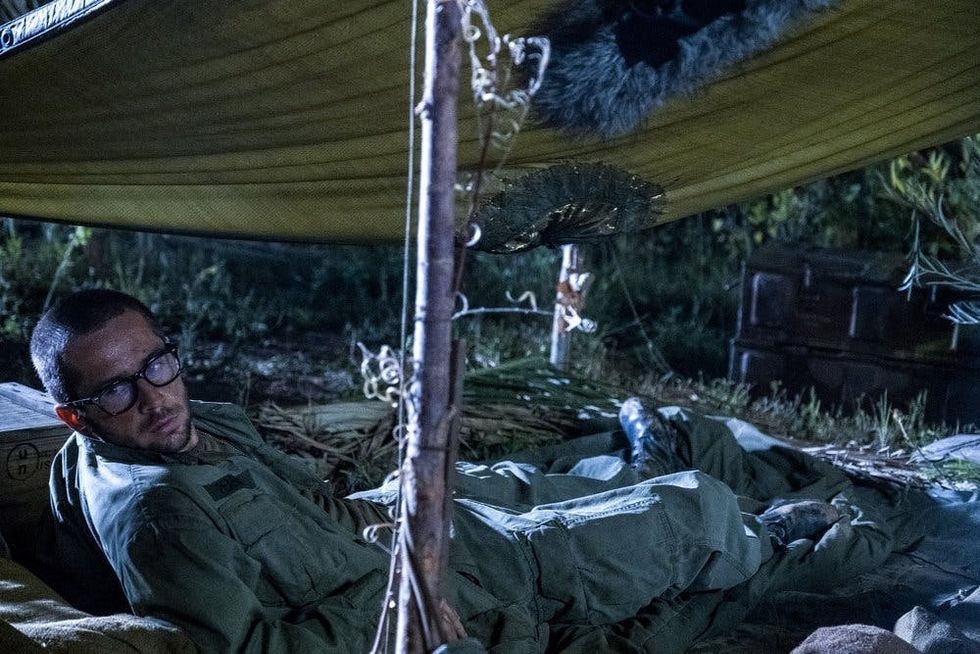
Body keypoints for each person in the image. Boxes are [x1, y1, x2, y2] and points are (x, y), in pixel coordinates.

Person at [30, 289, 896, 653]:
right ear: (75, 413)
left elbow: (294, 493)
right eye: (117, 391)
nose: (156, 398)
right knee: (684, 514)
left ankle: (694, 495)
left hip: (386, 519)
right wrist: (402, 596)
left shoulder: (146, 435)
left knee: (547, 479)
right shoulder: (159, 516)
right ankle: (776, 535)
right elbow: (257, 648)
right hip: (432, 582)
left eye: (157, 364)